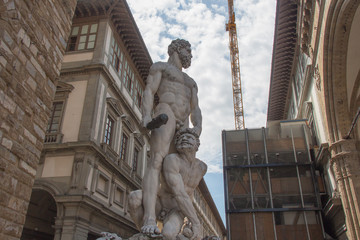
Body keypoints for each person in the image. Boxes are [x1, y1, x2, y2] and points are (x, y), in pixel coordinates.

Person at [140, 39, 202, 235]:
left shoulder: (191, 82)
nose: (190, 54)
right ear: (177, 49)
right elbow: (149, 91)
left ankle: (171, 215)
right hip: (165, 113)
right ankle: (149, 216)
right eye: (188, 50)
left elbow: (195, 108)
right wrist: (146, 117)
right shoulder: (161, 68)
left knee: (176, 169)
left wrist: (197, 128)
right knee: (156, 161)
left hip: (183, 124)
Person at [128, 129, 207, 240]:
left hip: (177, 210)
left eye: (189, 137)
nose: (184, 139)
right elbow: (179, 193)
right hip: (159, 204)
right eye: (180, 138)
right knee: (134, 197)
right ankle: (146, 234)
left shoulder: (202, 168)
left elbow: (189, 192)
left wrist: (190, 217)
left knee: (168, 235)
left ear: (197, 145)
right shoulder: (172, 160)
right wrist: (196, 222)